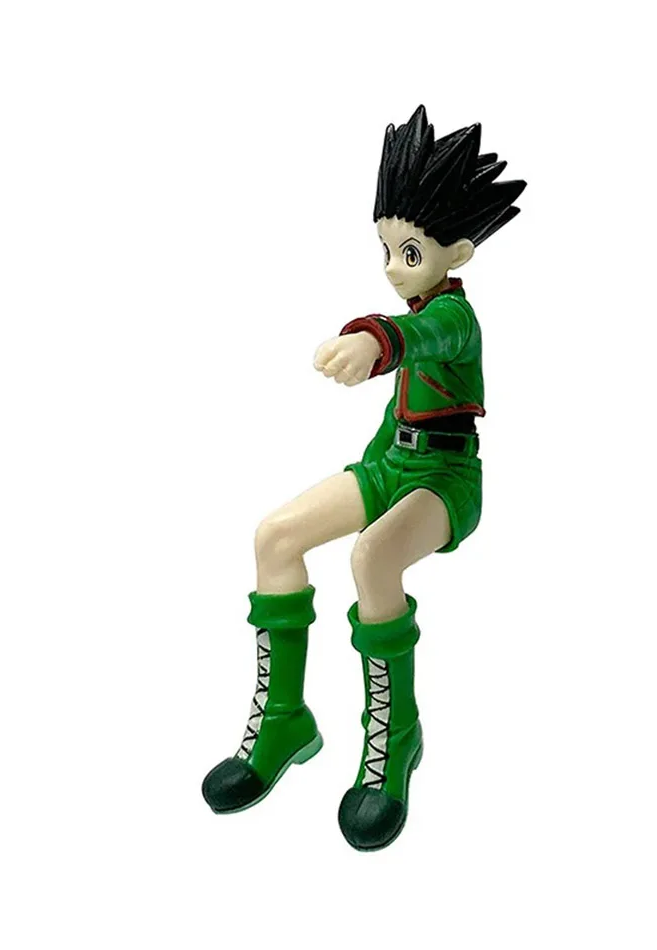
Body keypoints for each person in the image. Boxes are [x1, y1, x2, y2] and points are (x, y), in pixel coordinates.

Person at [202, 105, 526, 851]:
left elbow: (418, 336)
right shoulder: (416, 307)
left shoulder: (455, 319)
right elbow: (400, 341)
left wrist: (375, 341)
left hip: (445, 481)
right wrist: (370, 349)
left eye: (409, 251)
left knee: (373, 556)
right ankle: (284, 720)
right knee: (276, 537)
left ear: (458, 252)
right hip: (390, 463)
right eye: (385, 247)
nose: (392, 266)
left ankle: (395, 738)